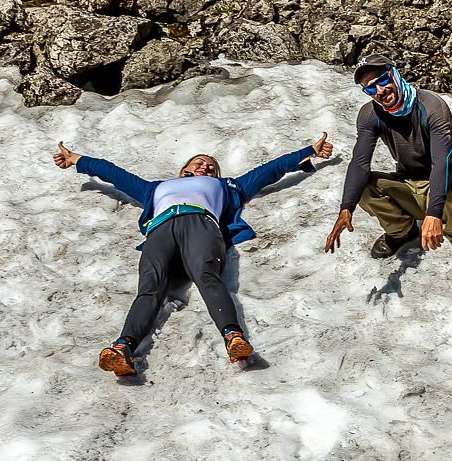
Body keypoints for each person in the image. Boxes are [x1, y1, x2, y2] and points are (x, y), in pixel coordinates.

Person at [53, 134, 334, 376]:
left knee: (207, 276)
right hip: (160, 230)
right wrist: (77, 159)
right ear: (184, 169)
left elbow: (268, 171)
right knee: (150, 288)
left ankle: (234, 338)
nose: (205, 165)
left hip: (202, 224)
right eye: (198, 161)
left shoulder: (228, 186)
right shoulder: (155, 188)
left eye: (211, 166)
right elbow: (114, 174)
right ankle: (122, 348)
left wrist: (309, 151)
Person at [324, 54, 452, 266]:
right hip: (408, 181)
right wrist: (346, 207)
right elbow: (360, 163)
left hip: (445, 180)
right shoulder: (370, 115)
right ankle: (402, 231)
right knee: (364, 186)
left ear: (394, 74)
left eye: (383, 80)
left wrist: (433, 213)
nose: (379, 91)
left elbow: (442, 162)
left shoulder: (432, 106)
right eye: (370, 89)